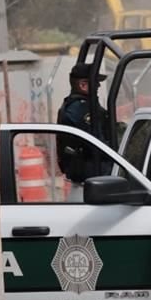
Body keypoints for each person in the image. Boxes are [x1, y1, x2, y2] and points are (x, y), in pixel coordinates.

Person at [56, 62, 113, 201]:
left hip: (91, 181)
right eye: (95, 83)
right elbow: (98, 144)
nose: (98, 86)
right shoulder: (80, 109)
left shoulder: (82, 106)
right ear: (83, 85)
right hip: (90, 183)